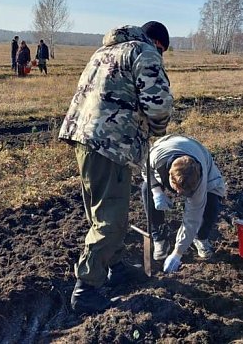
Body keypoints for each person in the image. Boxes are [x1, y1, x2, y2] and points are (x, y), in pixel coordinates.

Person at [59, 21, 173, 315]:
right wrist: (157, 128)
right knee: (110, 217)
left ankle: (116, 266)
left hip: (83, 138)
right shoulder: (144, 52)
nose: (160, 56)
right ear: (157, 43)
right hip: (112, 143)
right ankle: (86, 288)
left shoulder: (104, 52)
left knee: (100, 208)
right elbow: (158, 105)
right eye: (162, 51)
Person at [140, 134, 226, 274]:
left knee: (212, 200)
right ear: (169, 177)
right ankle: (159, 239)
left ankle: (201, 238)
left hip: (198, 153)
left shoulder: (200, 179)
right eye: (179, 190)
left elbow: (192, 218)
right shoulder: (155, 157)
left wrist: (177, 253)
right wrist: (157, 192)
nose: (180, 195)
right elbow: (145, 170)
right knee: (146, 188)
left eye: (185, 192)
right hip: (167, 146)